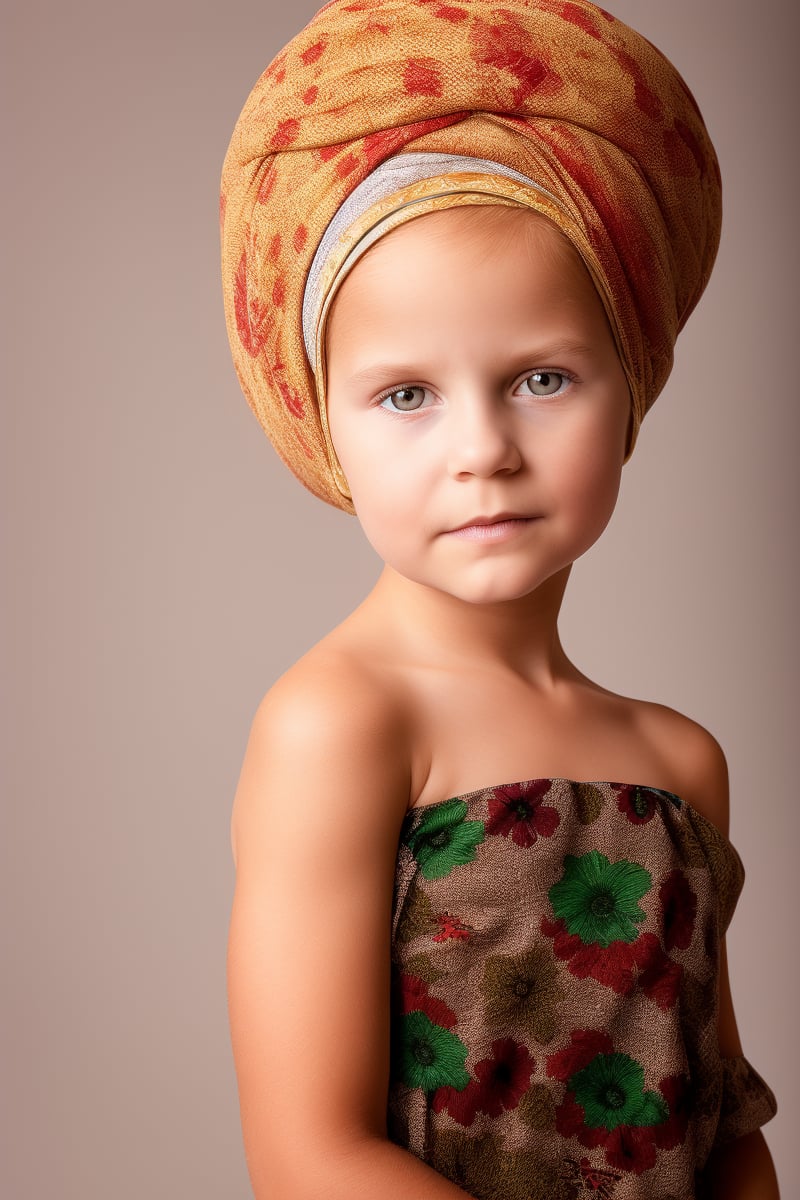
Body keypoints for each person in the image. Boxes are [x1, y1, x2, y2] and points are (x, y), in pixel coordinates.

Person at [220, 2, 779, 1196]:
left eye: (539, 378)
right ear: (324, 425)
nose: (481, 448)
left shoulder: (678, 762)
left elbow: (725, 1128)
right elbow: (307, 1156)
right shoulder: (340, 725)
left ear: (628, 388)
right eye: (405, 394)